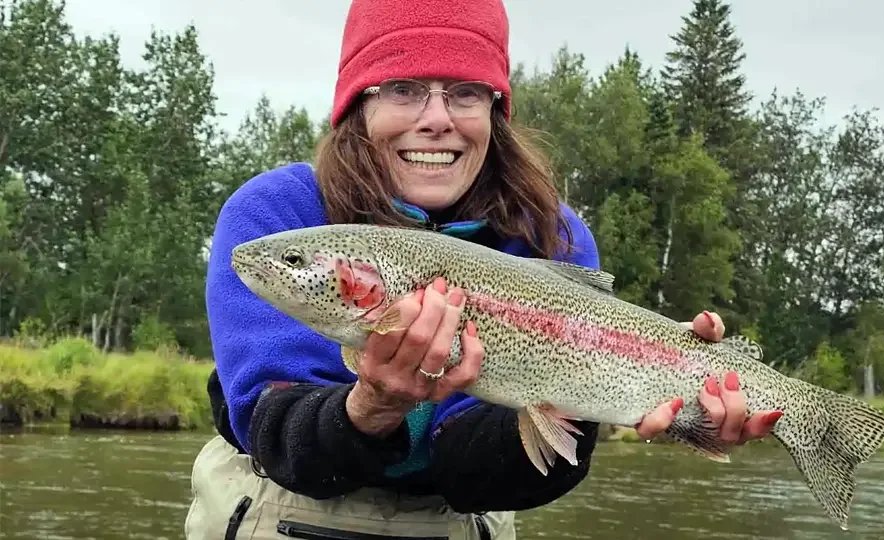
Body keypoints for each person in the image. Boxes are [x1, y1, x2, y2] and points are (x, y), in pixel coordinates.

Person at [183, 0, 783, 538]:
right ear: (357, 105)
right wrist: (371, 407)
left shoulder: (554, 234)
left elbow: (496, 473)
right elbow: (281, 438)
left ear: (494, 111)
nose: (437, 118)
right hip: (281, 508)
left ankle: (811, 419)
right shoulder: (274, 214)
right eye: (403, 88)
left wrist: (679, 414)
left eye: (465, 92)